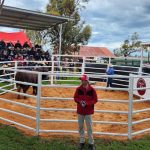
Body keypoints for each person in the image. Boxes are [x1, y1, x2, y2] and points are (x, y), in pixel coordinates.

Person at [74, 74, 98, 150]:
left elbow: (95, 99)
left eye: (83, 80)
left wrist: (87, 103)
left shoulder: (92, 90)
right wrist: (80, 101)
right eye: (81, 79)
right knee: (80, 126)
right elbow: (75, 98)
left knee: (89, 127)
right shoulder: (78, 89)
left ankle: (91, 143)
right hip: (80, 111)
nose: (81, 81)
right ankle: (82, 141)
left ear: (87, 81)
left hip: (88, 111)